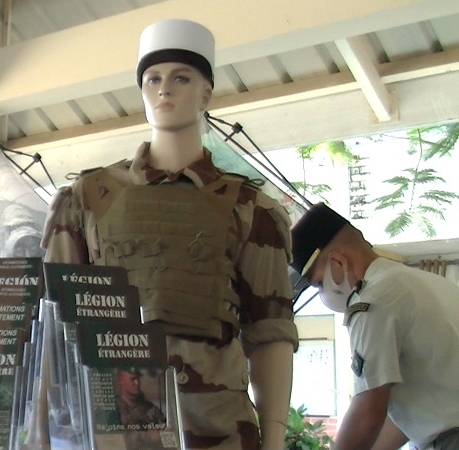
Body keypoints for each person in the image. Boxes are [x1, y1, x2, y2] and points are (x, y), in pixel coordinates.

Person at [41, 19, 298, 449]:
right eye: (153, 79)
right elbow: (55, 324)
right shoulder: (87, 199)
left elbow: (270, 332)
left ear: (206, 94)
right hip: (116, 433)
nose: (164, 90)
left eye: (181, 78)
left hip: (219, 432)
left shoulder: (250, 208)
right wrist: (42, 432)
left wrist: (273, 440)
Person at [290, 202, 459, 450]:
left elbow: (368, 414)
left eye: (318, 284)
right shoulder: (428, 282)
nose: (322, 293)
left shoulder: (373, 301)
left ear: (338, 262)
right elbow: (411, 415)